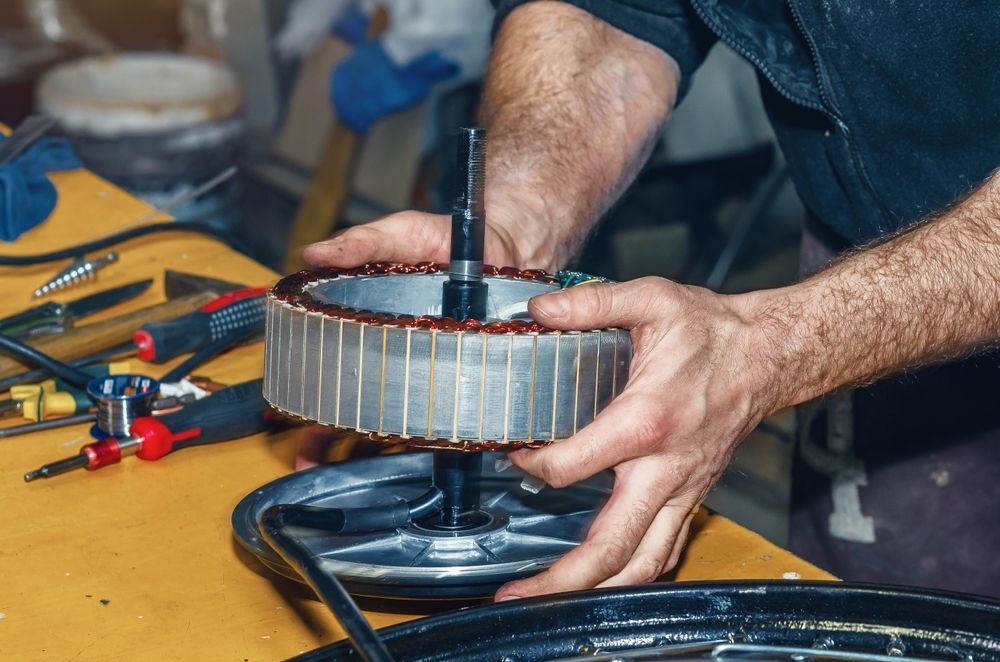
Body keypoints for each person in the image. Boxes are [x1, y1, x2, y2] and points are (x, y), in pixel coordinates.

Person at [302, 1, 1000, 599]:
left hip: (919, 269)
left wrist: (774, 346)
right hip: (871, 245)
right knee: (884, 615)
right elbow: (616, 16)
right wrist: (520, 214)